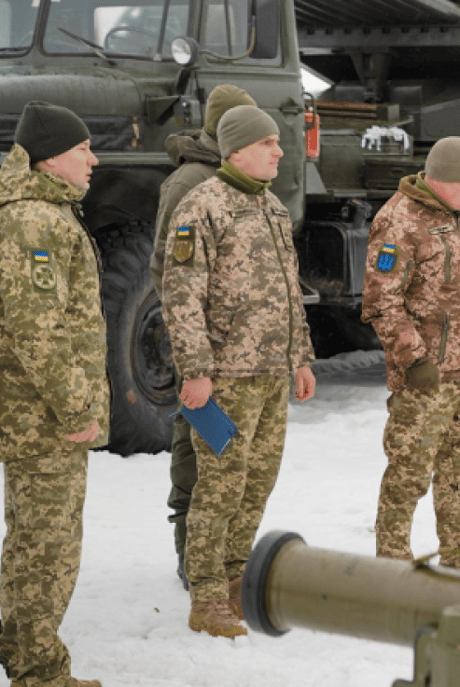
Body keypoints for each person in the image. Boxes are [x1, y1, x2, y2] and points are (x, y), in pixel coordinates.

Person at [161, 105, 316, 638]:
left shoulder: (271, 206)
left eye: (278, 142)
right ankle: (205, 595)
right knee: (220, 486)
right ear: (237, 150)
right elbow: (181, 294)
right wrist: (196, 370)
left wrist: (301, 356)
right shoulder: (201, 206)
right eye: (268, 142)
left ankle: (234, 577)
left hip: (272, 373)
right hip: (223, 379)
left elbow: (290, 293)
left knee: (257, 482)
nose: (279, 150)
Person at [0, 102, 112, 687]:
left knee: (31, 546)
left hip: (39, 418)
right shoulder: (35, 223)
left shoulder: (46, 214)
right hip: (44, 420)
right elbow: (37, 332)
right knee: (48, 554)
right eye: (83, 148)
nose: (93, 159)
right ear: (49, 157)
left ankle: (27, 666)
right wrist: (76, 409)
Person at [361, 137, 460, 574]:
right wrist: (413, 360)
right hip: (425, 377)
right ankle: (392, 559)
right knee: (409, 471)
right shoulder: (398, 222)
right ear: (439, 180)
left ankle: (459, 552)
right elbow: (382, 301)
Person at [152, 84, 257, 591]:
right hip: (199, 345)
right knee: (197, 442)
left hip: (241, 351)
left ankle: (225, 549)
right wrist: (194, 340)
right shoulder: (191, 182)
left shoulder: (247, 180)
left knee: (233, 450)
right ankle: (188, 549)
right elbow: (166, 267)